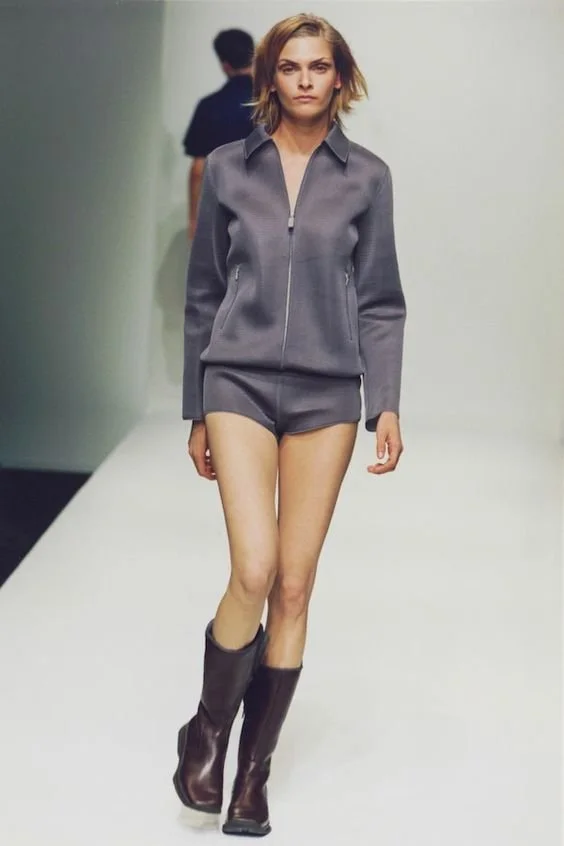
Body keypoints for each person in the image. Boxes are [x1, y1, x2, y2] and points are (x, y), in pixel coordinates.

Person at [173, 12, 407, 838]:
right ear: (268, 77)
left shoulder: (367, 177)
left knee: (296, 583)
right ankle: (207, 731)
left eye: (319, 67)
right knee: (255, 567)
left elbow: (380, 298)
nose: (305, 80)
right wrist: (196, 407)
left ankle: (252, 774)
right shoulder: (230, 168)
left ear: (340, 78)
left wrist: (385, 400)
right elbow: (203, 291)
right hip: (236, 380)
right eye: (290, 67)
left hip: (326, 394)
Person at [183, 28, 255, 241]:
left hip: (223, 209)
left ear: (225, 65)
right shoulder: (272, 104)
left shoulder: (209, 106)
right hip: (265, 208)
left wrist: (194, 220)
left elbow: (198, 169)